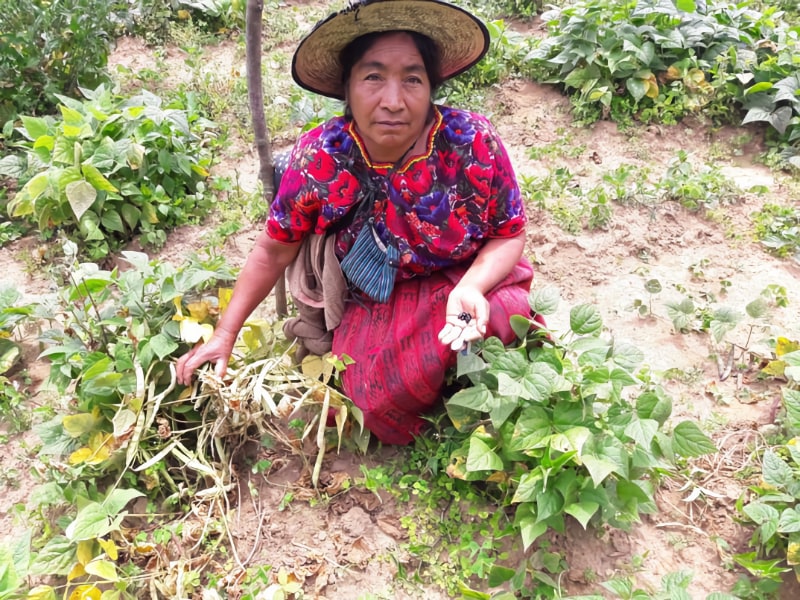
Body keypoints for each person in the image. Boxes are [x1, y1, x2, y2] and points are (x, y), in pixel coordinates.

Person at [177, 0, 542, 445]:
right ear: (346, 89)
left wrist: (472, 287)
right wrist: (226, 333)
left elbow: (509, 234)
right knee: (366, 394)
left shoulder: (471, 141)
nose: (393, 101)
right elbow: (273, 249)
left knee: (505, 315)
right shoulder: (320, 158)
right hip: (381, 291)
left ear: (432, 88)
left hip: (467, 272)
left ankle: (468, 362)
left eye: (412, 78)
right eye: (373, 77)